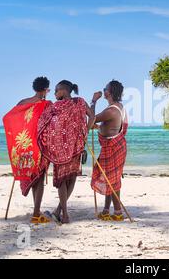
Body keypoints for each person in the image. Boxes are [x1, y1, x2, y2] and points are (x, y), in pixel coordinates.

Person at [38, 80, 95, 224]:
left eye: (56, 91)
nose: (55, 94)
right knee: (72, 178)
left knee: (62, 180)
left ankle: (65, 215)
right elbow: (92, 116)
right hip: (77, 146)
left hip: (60, 150)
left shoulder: (55, 106)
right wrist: (85, 132)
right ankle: (59, 211)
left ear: (63, 90)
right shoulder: (80, 102)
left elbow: (42, 121)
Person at [3, 76, 52, 224]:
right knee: (40, 178)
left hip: (26, 147)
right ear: (45, 89)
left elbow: (10, 118)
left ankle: (36, 210)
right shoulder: (47, 104)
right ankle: (36, 213)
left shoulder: (22, 103)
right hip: (40, 147)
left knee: (33, 177)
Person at [90, 80, 128, 222]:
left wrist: (93, 101)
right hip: (114, 146)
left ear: (109, 92)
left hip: (113, 147)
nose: (103, 90)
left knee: (112, 180)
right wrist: (99, 128)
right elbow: (109, 127)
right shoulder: (118, 107)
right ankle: (106, 210)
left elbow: (92, 117)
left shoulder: (111, 110)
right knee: (109, 178)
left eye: (105, 88)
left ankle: (117, 212)